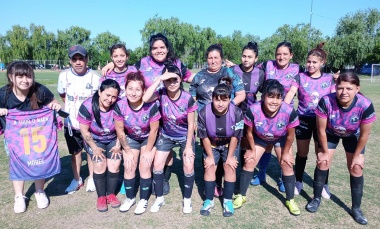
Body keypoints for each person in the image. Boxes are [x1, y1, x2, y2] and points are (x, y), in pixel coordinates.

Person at [103, 33, 194, 194]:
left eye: (162, 47)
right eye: (155, 48)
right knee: (153, 147)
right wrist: (112, 63)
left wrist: (213, 75)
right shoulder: (143, 63)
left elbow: (190, 77)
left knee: (167, 150)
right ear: (150, 50)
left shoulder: (176, 63)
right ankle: (133, 179)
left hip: (171, 115)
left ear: (167, 48)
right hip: (147, 113)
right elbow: (127, 69)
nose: (158, 50)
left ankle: (163, 179)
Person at [305, 72, 376, 225]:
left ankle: (356, 208)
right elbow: (321, 130)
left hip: (353, 136)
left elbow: (365, 134)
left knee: (356, 167)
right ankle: (316, 198)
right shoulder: (326, 101)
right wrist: (323, 152)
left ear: (357, 89)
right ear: (335, 87)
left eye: (349, 88)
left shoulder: (365, 104)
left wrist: (358, 155)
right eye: (340, 88)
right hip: (330, 133)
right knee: (322, 162)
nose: (344, 92)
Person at [0, 61, 61, 213]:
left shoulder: (39, 89)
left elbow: (54, 102)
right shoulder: (3, 93)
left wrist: (55, 106)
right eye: (19, 76)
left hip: (38, 135)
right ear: (10, 77)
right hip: (15, 138)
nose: (24, 80)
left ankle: (39, 191)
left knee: (39, 160)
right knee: (18, 163)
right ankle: (19, 196)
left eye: (28, 76)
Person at [233, 79, 300, 216]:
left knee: (287, 164)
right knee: (249, 161)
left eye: (278, 97)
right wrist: (251, 149)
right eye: (270, 96)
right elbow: (249, 133)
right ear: (263, 96)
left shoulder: (289, 111)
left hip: (280, 138)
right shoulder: (253, 110)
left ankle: (290, 200)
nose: (274, 101)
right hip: (260, 137)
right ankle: (241, 195)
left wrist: (286, 153)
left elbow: (290, 136)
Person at [190, 43, 245, 197]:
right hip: (206, 123)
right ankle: (212, 184)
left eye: (216, 58)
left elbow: (241, 94)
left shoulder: (230, 73)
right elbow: (192, 100)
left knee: (227, 155)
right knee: (209, 155)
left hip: (227, 121)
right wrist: (196, 118)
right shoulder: (199, 77)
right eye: (210, 58)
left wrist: (227, 109)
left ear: (221, 59)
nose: (213, 61)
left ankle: (223, 185)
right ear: (206, 59)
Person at [143, 64, 197, 214]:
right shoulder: (161, 93)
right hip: (166, 135)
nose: (172, 83)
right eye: (168, 80)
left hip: (184, 136)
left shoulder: (188, 98)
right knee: (157, 165)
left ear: (180, 80)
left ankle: (187, 200)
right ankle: (159, 198)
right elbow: (146, 97)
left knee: (188, 164)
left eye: (175, 79)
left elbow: (192, 124)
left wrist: (188, 147)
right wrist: (159, 79)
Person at [284, 43, 335, 197]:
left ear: (322, 63)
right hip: (304, 119)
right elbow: (291, 93)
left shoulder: (329, 78)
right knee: (302, 153)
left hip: (323, 121)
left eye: (314, 62)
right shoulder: (300, 77)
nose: (310, 65)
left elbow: (334, 98)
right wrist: (284, 110)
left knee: (322, 154)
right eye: (309, 61)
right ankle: (298, 181)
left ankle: (324, 185)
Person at [250, 41, 300, 192]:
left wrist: (280, 110)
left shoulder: (297, 69)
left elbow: (294, 90)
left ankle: (282, 178)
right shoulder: (267, 65)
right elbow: (250, 69)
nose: (281, 57)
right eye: (278, 53)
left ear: (291, 55)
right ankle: (262, 174)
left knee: (283, 147)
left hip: (284, 115)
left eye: (285, 54)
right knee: (267, 145)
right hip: (265, 113)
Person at [114, 71, 160, 215]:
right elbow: (120, 131)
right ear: (125, 89)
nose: (133, 93)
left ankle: (143, 200)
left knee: (145, 165)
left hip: (148, 137)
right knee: (129, 165)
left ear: (143, 91)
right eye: (130, 89)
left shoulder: (151, 106)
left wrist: (147, 151)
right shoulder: (119, 105)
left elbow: (154, 130)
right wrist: (126, 151)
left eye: (138, 89)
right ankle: (130, 198)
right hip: (131, 138)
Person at [57, 45, 101, 194]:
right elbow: (63, 96)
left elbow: (98, 99)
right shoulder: (64, 76)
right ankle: (76, 180)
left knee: (90, 151)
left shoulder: (95, 77)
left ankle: (92, 178)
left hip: (90, 124)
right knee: (75, 152)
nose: (78, 62)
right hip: (71, 124)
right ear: (70, 61)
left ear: (87, 59)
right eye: (74, 59)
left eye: (81, 58)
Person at [198, 81, 244, 217]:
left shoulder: (237, 112)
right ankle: (209, 200)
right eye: (216, 99)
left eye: (224, 100)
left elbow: (236, 136)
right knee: (209, 166)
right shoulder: (203, 112)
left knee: (230, 166)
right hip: (211, 143)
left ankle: (228, 201)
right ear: (212, 99)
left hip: (230, 143)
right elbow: (203, 136)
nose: (220, 103)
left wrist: (230, 157)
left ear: (230, 99)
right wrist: (210, 157)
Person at [77, 79, 122, 212]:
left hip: (114, 138)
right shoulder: (87, 105)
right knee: (99, 163)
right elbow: (84, 131)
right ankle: (101, 197)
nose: (110, 99)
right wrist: (95, 149)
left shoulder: (119, 105)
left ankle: (111, 194)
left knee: (115, 162)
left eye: (114, 96)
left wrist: (119, 145)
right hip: (94, 139)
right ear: (99, 92)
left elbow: (122, 129)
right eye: (107, 95)